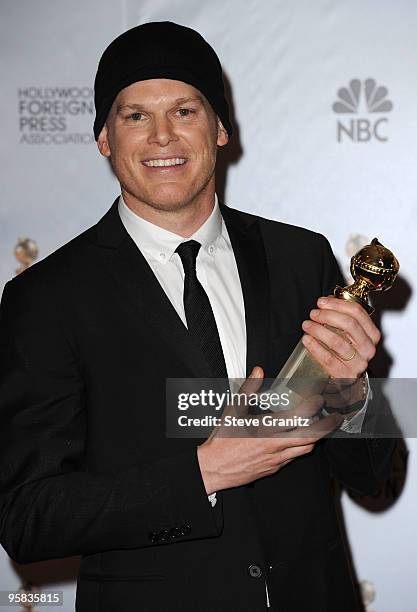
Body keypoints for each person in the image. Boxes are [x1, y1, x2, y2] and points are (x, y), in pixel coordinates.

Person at [0, 21, 395, 612]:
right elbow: (28, 519)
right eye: (135, 116)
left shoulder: (301, 258)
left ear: (220, 129)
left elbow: (375, 477)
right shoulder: (46, 297)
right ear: (104, 138)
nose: (162, 137)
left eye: (184, 111)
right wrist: (201, 474)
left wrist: (352, 393)